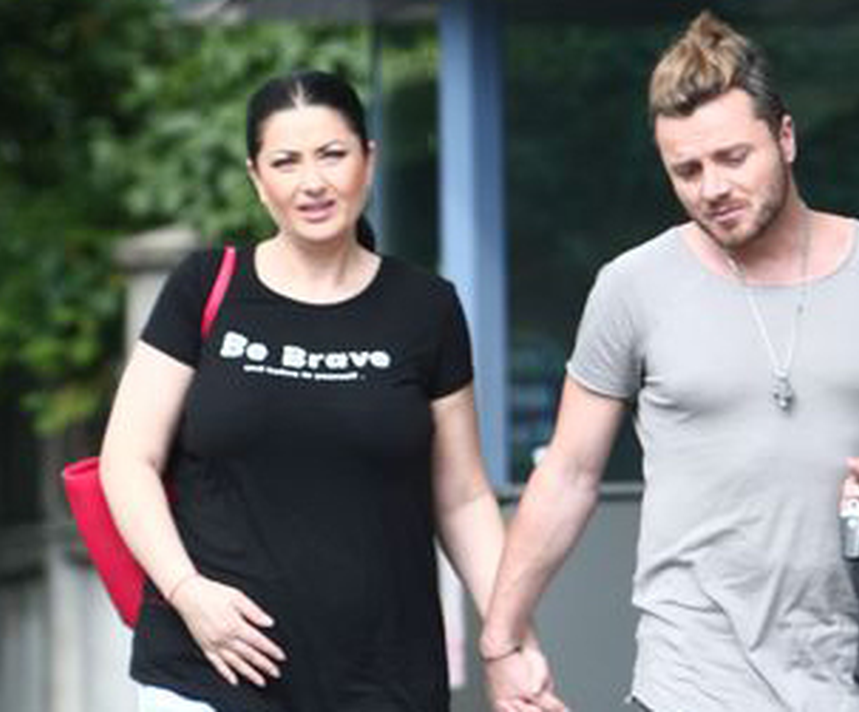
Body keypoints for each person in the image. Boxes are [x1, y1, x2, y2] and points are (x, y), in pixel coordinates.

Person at [481, 11, 859, 712]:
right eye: (687, 170)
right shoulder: (633, 286)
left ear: (785, 138)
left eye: (733, 158)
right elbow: (568, 474)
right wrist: (501, 639)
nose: (712, 188)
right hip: (687, 680)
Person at [99, 69, 561, 712]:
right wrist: (187, 592)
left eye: (332, 154)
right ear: (258, 179)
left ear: (368, 160)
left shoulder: (425, 308)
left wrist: (509, 643)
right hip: (210, 668)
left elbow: (462, 497)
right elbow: (128, 460)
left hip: (382, 679)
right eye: (285, 162)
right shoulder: (205, 287)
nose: (311, 182)